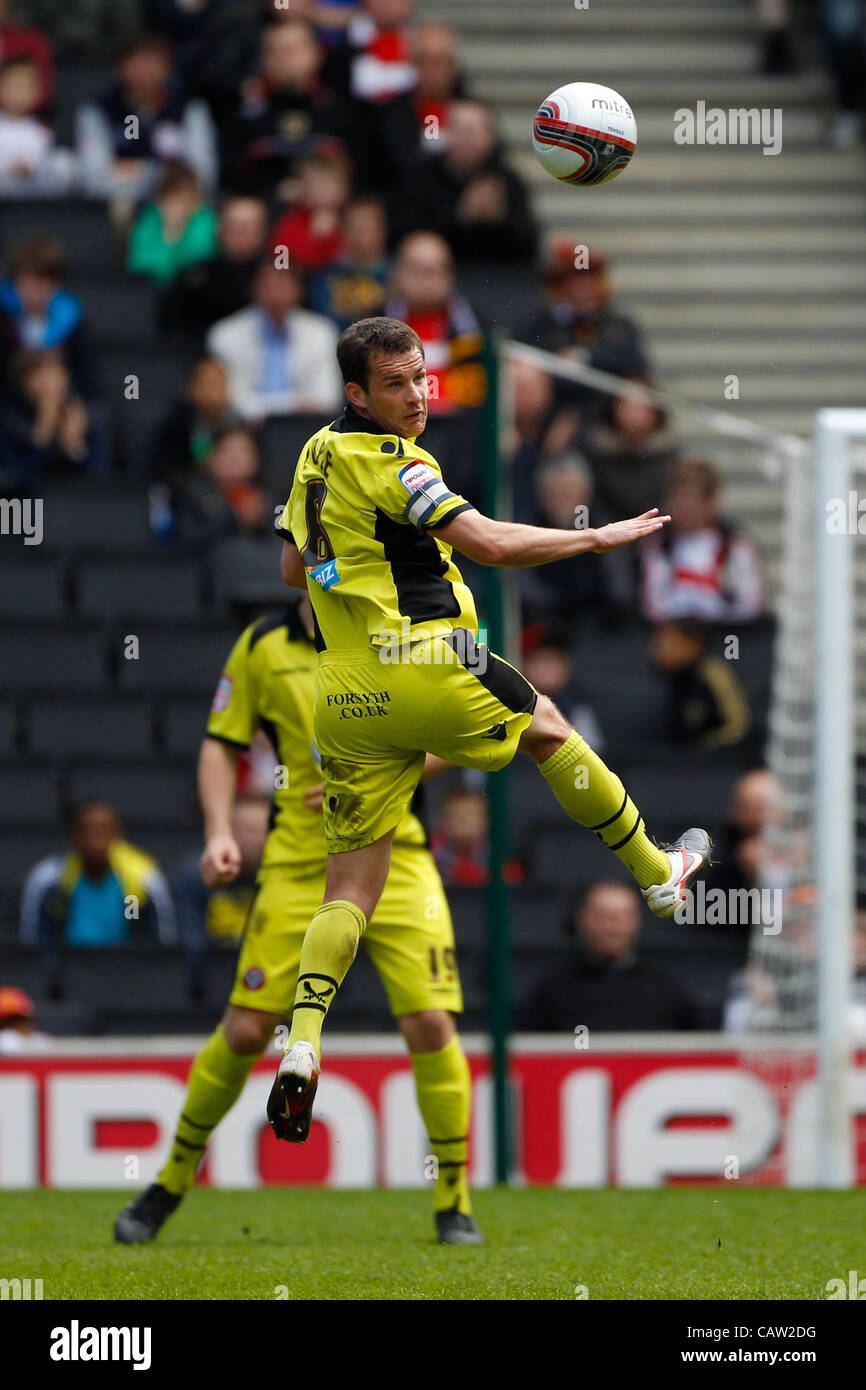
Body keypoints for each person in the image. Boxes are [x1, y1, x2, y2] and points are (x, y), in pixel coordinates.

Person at [270, 315, 712, 1151]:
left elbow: (294, 567)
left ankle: (303, 1041)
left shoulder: (313, 456)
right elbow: (491, 543)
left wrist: (352, 563)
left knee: (349, 889)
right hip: (433, 656)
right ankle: (659, 874)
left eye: (422, 378)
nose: (416, 398)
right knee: (547, 726)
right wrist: (595, 535)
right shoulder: (402, 463)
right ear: (357, 393)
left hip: (343, 690)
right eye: (395, 386)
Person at [114, 596, 484, 1247]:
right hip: (296, 863)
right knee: (248, 1027)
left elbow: (470, 729)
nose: (303, 556)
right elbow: (219, 743)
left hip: (397, 853)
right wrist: (220, 830)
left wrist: (378, 769)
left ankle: (454, 1198)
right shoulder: (263, 643)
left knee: (430, 1021)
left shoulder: (396, 625)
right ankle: (168, 1183)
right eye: (296, 543)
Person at [520, 880, 704, 1032]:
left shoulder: (665, 989)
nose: (612, 929)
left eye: (620, 918)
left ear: (635, 922)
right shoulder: (552, 989)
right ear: (581, 920)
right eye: (603, 917)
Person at [220, 18, 364, 196]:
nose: (283, 60)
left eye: (291, 50)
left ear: (316, 54)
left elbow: (362, 181)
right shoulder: (245, 116)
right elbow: (231, 184)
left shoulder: (341, 113)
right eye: (273, 52)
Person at [75, 32, 217, 202]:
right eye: (137, 62)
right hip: (115, 209)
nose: (145, 71)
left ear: (167, 69)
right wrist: (166, 175)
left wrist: (138, 171)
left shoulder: (189, 110)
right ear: (120, 68)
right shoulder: (100, 111)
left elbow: (203, 176)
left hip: (179, 208)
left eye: (152, 63)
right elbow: (93, 181)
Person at [391, 99, 536, 264]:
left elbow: (529, 247)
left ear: (491, 137)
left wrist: (500, 219)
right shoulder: (419, 179)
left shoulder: (508, 182)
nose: (464, 139)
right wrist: (460, 218)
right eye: (456, 128)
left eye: (472, 131)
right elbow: (408, 242)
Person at [20, 801, 176, 947]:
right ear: (74, 836)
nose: (97, 842)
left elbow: (158, 946)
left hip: (125, 970)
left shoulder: (137, 885)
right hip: (65, 972)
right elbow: (33, 946)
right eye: (89, 832)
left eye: (105, 831)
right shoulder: (51, 882)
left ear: (118, 835)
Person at [206, 260, 342, 423]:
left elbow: (327, 398)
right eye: (269, 286)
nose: (276, 294)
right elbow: (234, 401)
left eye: (283, 286)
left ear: (299, 290)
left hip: (307, 428)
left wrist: (267, 406)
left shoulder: (322, 332)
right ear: (254, 289)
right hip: (246, 428)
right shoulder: (225, 335)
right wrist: (296, 405)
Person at [639, 458, 766, 624]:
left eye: (689, 500)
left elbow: (751, 605)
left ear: (711, 503)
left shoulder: (737, 546)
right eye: (676, 499)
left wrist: (710, 606)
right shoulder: (659, 547)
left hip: (727, 634)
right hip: (676, 636)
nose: (682, 507)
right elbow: (653, 606)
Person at [0, 237, 97, 400]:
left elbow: (87, 377)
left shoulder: (72, 323)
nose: (32, 290)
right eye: (25, 282)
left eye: (40, 282)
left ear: (55, 284)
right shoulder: (4, 322)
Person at [158, 195, 269, 336]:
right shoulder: (194, 276)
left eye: (247, 226)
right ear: (220, 228)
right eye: (234, 225)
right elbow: (172, 326)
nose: (240, 233)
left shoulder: (274, 276)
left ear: (264, 231)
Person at [0, 347, 102, 482]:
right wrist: (43, 427)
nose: (48, 384)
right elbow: (21, 475)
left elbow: (98, 479)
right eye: (39, 376)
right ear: (22, 382)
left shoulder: (89, 419)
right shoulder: (10, 423)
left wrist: (73, 443)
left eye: (54, 375)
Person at [650, 618, 752, 752]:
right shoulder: (665, 677)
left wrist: (702, 749)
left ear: (694, 643)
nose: (658, 650)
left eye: (668, 642)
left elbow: (738, 727)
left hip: (710, 761)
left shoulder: (714, 675)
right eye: (658, 642)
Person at [126, 160, 218, 286]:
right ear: (162, 196)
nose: (182, 202)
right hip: (151, 294)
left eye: (188, 194)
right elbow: (138, 264)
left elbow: (197, 263)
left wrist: (179, 229)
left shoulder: (207, 222)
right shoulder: (149, 220)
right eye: (175, 194)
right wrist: (170, 231)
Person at [308, 194, 389, 330]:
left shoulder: (397, 273)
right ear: (343, 231)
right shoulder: (325, 276)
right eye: (357, 229)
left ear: (383, 231)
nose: (363, 236)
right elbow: (323, 321)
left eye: (369, 228)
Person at [0, 54, 74, 196]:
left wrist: (32, 171)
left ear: (38, 92)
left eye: (26, 87)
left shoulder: (44, 133)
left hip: (34, 205)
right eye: (15, 87)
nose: (19, 94)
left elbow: (54, 178)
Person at [269, 146, 351, 273]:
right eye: (314, 182)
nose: (322, 190)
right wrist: (315, 239)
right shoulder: (289, 223)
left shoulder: (354, 220)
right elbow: (281, 265)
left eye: (330, 182)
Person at [430, 786, 522, 887]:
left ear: (485, 822)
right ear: (443, 822)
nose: (463, 823)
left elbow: (512, 877)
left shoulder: (495, 853)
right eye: (456, 817)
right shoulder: (432, 852)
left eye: (470, 817)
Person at [0, 986, 51, 1054]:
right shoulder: (5, 1039)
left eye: (21, 1020)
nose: (20, 1025)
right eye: (11, 1022)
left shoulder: (41, 1041)